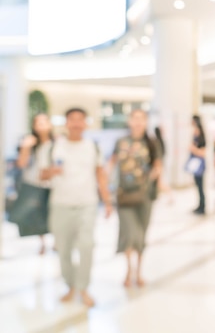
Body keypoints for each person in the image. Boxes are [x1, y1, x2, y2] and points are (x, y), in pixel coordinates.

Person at [40, 108, 113, 307]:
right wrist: (51, 172)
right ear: (66, 123)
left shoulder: (93, 147)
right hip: (60, 204)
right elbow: (42, 175)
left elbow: (100, 175)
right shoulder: (54, 147)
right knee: (63, 249)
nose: (76, 123)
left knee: (86, 246)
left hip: (87, 204)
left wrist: (107, 201)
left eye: (80, 120)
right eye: (72, 120)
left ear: (86, 124)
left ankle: (83, 287)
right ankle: (70, 285)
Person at [110, 110, 162, 288]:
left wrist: (151, 182)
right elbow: (111, 164)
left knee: (141, 235)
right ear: (129, 121)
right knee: (130, 234)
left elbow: (157, 166)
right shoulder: (121, 142)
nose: (138, 122)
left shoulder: (152, 143)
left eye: (141, 119)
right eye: (134, 118)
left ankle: (138, 271)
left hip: (144, 195)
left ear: (146, 122)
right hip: (124, 195)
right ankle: (128, 270)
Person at [14, 113, 54, 254]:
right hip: (33, 184)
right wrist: (26, 147)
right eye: (38, 123)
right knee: (36, 215)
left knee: (53, 213)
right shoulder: (29, 142)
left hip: (53, 185)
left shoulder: (56, 143)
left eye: (44, 122)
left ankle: (56, 240)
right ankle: (42, 242)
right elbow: (21, 164)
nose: (41, 126)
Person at [189, 115, 208, 214]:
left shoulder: (200, 135)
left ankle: (202, 206)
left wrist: (193, 149)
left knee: (200, 186)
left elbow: (203, 152)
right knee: (198, 186)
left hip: (199, 163)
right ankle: (200, 205)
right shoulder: (196, 133)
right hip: (196, 163)